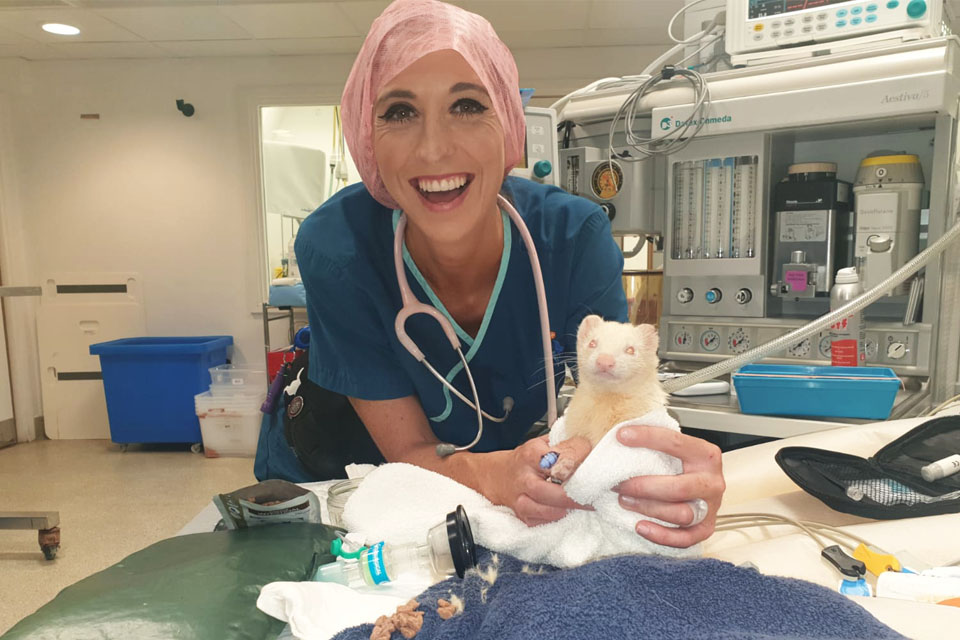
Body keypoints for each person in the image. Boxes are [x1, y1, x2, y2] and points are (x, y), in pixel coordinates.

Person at [295, 0, 724, 548]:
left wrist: (659, 467)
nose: (433, 148)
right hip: (347, 481)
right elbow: (407, 455)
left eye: (468, 105)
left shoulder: (572, 238)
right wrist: (497, 474)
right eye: (399, 112)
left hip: (505, 491)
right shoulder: (338, 246)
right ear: (364, 135)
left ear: (511, 126)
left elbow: (616, 407)